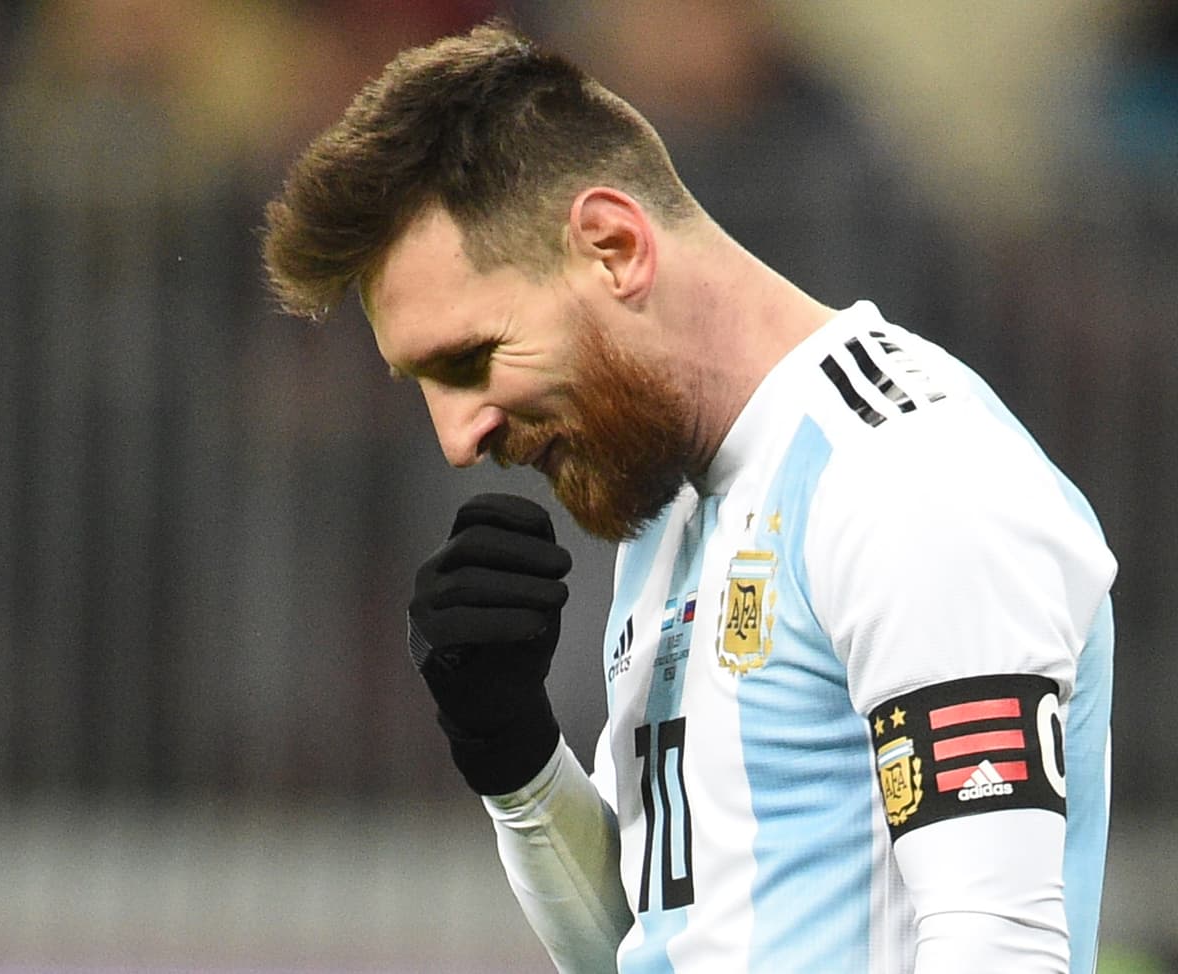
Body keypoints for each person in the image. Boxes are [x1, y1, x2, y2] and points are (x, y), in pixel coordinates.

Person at [261, 21, 1116, 974]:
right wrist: (515, 756)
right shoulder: (678, 507)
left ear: (614, 246)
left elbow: (999, 948)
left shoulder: (910, 479)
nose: (457, 439)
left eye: (473, 359)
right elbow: (657, 948)